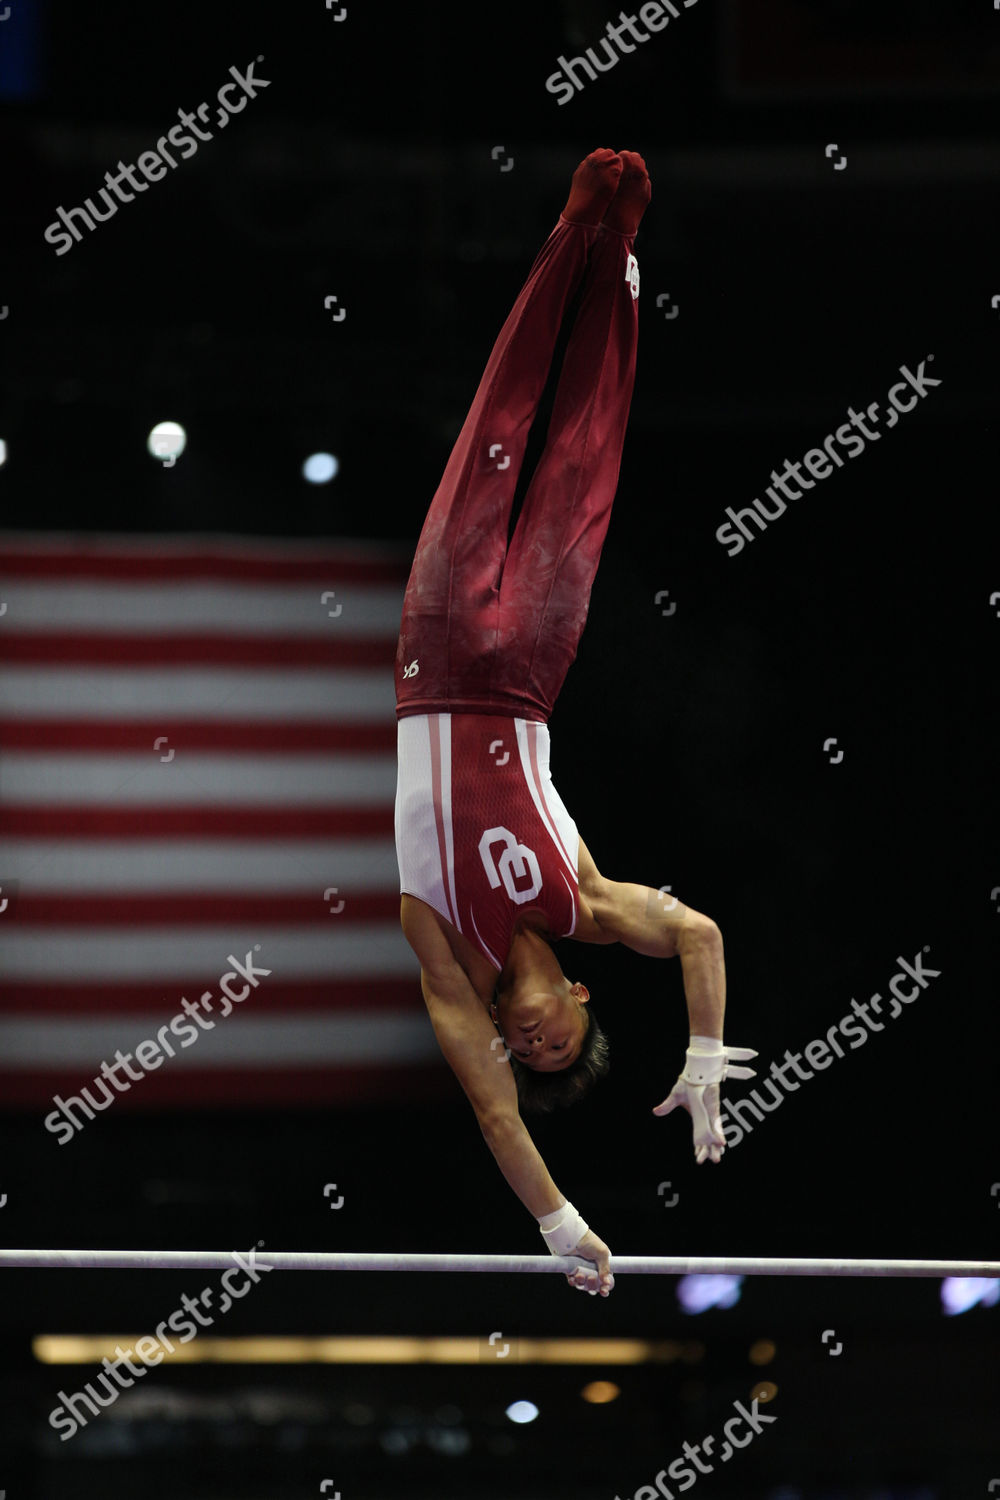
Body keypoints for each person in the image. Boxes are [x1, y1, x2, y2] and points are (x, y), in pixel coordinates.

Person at [394, 149, 756, 1298]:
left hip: (437, 653)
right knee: (584, 456)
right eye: (568, 1043)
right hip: (534, 665)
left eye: (535, 1052)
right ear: (584, 998)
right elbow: (698, 934)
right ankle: (620, 252)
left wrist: (562, 1229)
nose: (542, 1046)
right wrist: (702, 1057)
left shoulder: (445, 953)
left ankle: (571, 232)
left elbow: (498, 1121)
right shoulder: (586, 905)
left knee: (499, 426)